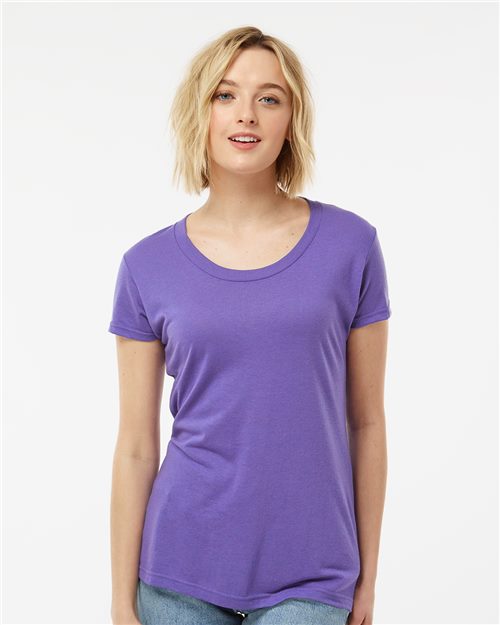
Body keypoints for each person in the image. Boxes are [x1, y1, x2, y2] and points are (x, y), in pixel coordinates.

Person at [108, 26, 391, 625]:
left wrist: (367, 578)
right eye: (225, 94)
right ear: (201, 111)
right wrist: (120, 601)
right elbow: (135, 446)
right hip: (178, 570)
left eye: (269, 97)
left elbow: (366, 421)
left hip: (313, 572)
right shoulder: (146, 266)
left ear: (292, 119)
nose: (247, 115)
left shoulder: (351, 246)